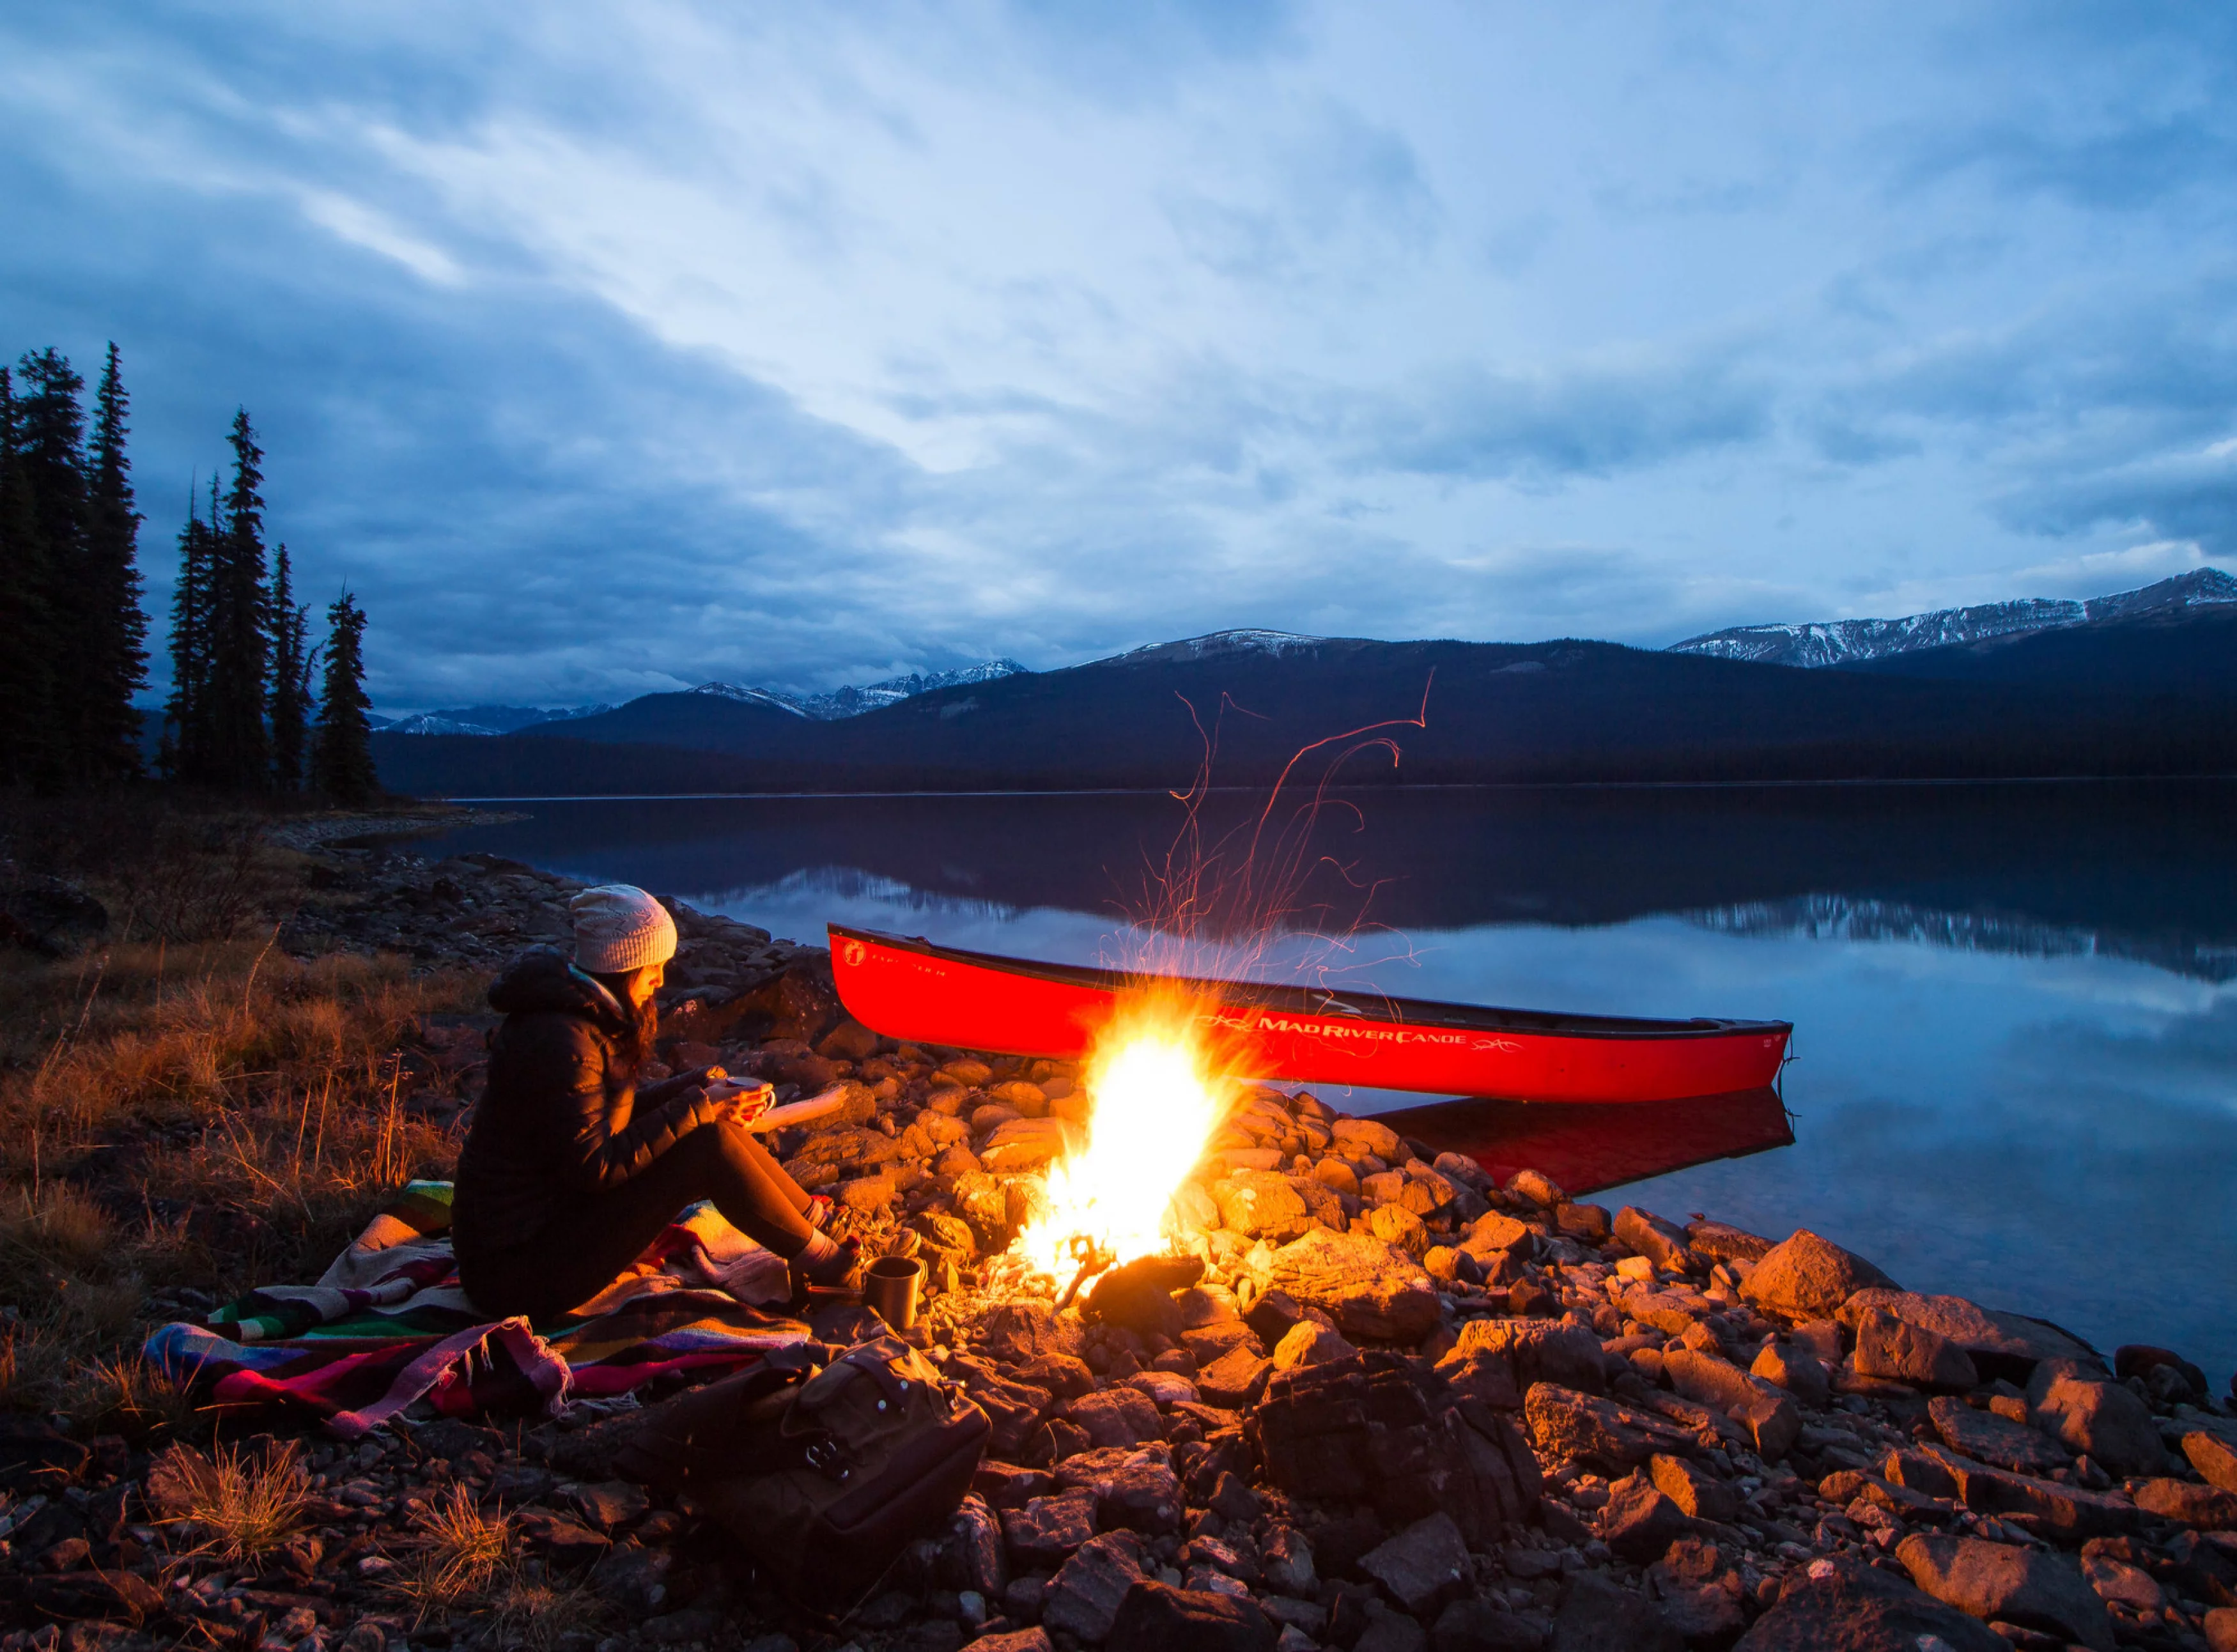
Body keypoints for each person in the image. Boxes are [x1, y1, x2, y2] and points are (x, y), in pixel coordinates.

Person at [453, 884, 859, 1320]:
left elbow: (606, 1121)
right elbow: (598, 1165)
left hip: (548, 1228)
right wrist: (699, 1105)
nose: (661, 981)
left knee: (713, 1130)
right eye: (654, 967)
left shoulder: (580, 1019)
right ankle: (831, 1270)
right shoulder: (562, 1040)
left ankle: (813, 1221)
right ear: (621, 964)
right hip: (517, 1274)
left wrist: (701, 1087)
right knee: (708, 1149)